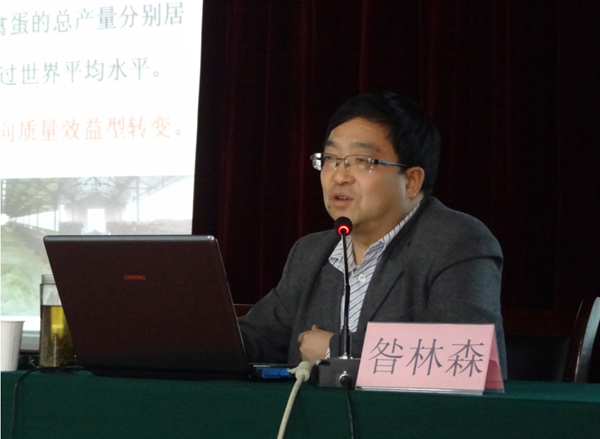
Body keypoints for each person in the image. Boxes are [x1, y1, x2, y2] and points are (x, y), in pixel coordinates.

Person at [238, 91, 507, 377]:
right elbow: (257, 339)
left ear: (412, 181)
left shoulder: (458, 241)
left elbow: (467, 359)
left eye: (362, 161)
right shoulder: (311, 252)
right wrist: (204, 334)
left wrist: (335, 350)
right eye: (330, 158)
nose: (339, 176)